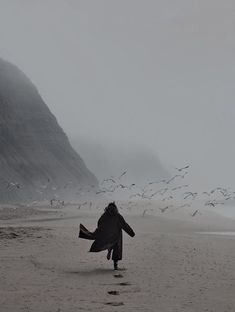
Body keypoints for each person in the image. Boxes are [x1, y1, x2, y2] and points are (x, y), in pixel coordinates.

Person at [79, 202, 135, 270]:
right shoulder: (117, 216)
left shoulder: (104, 215)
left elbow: (99, 223)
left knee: (110, 243)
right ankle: (115, 264)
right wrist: (132, 233)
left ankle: (109, 250)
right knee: (116, 248)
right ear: (115, 208)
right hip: (115, 237)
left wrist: (102, 231)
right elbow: (124, 225)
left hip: (106, 236)